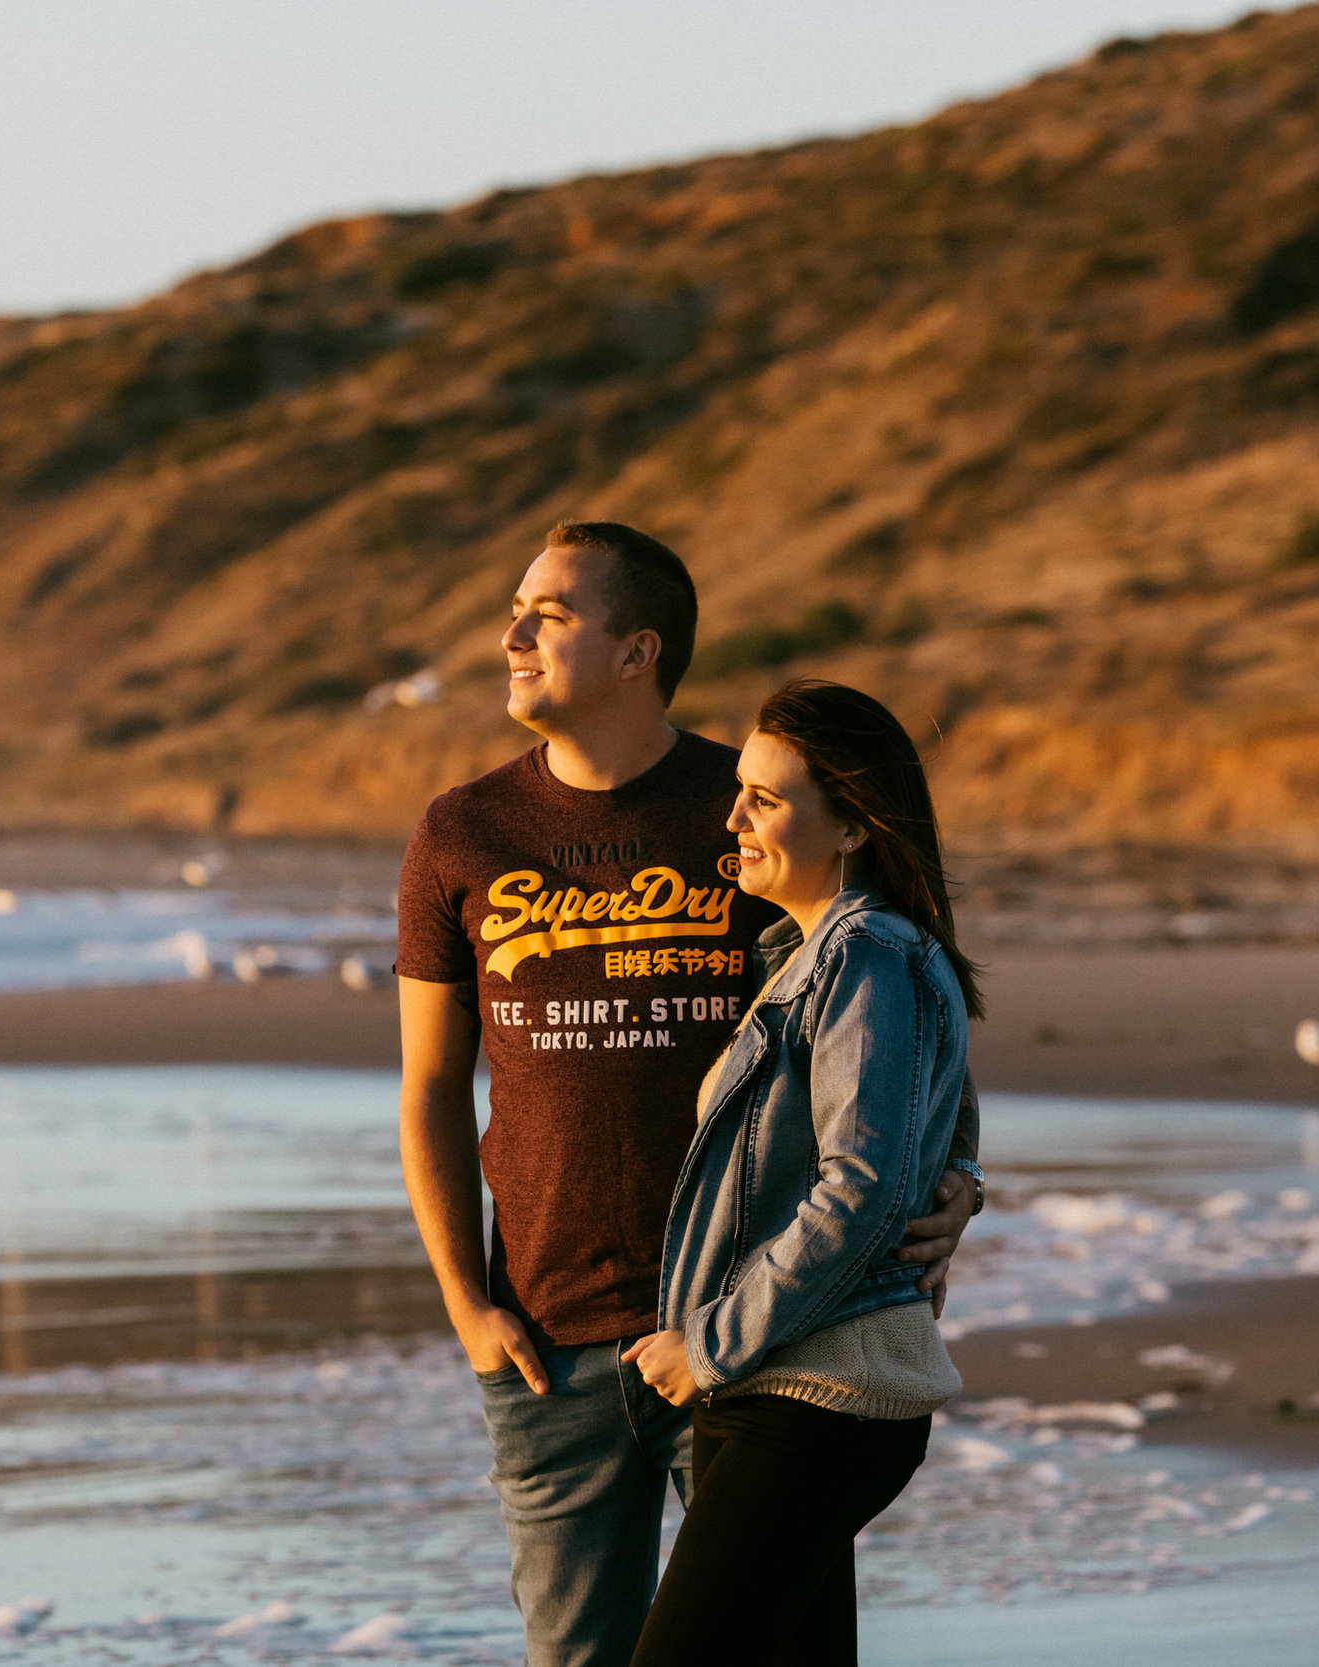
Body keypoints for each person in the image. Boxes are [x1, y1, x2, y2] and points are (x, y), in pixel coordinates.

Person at [394, 524, 986, 1667]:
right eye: (517, 607)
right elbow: (429, 1086)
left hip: (755, 1331)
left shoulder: (759, 807)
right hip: (545, 1339)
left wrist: (958, 1182)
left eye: (550, 613)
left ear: (636, 650)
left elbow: (896, 1034)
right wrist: (469, 1303)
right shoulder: (460, 831)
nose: (510, 634)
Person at [621, 678, 983, 1667]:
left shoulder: (865, 951)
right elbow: (938, 1126)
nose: (732, 815)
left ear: (855, 825)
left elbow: (860, 1187)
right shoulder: (809, 954)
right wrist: (967, 1182)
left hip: (818, 1392)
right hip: (778, 1383)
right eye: (739, 789)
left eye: (766, 799)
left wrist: (706, 1345)